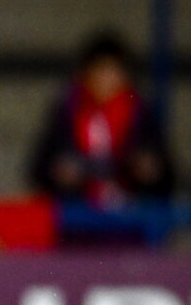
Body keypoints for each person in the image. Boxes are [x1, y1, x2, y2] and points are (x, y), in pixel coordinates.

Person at [29, 31, 174, 208]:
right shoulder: (67, 112)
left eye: (113, 71)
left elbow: (167, 174)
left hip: (132, 221)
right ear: (85, 74)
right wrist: (59, 174)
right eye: (99, 71)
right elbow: (38, 170)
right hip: (78, 220)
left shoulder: (140, 114)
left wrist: (150, 172)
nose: (105, 80)